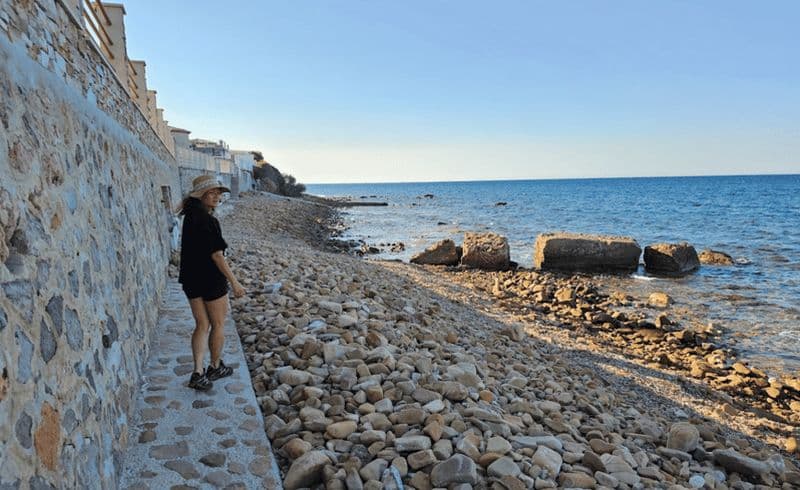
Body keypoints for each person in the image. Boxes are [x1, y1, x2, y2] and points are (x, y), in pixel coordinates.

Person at [177, 175, 246, 391]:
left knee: (201, 325)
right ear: (201, 195)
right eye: (211, 192)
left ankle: (197, 372)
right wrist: (234, 282)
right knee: (217, 325)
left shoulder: (189, 216)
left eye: (218, 193)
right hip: (210, 279)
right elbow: (217, 256)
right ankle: (215, 367)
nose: (217, 196)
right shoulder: (209, 220)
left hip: (190, 278)